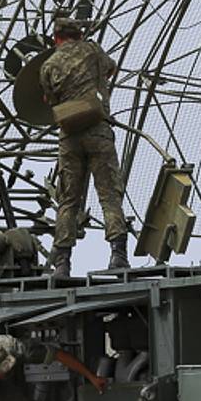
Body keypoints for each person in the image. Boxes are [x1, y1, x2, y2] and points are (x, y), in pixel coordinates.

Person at [39, 16, 131, 277]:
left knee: (68, 199)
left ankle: (62, 263)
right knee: (109, 194)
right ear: (77, 34)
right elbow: (111, 68)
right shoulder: (92, 49)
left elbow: (49, 99)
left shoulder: (48, 65)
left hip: (69, 136)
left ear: (56, 39)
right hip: (98, 131)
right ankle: (118, 255)